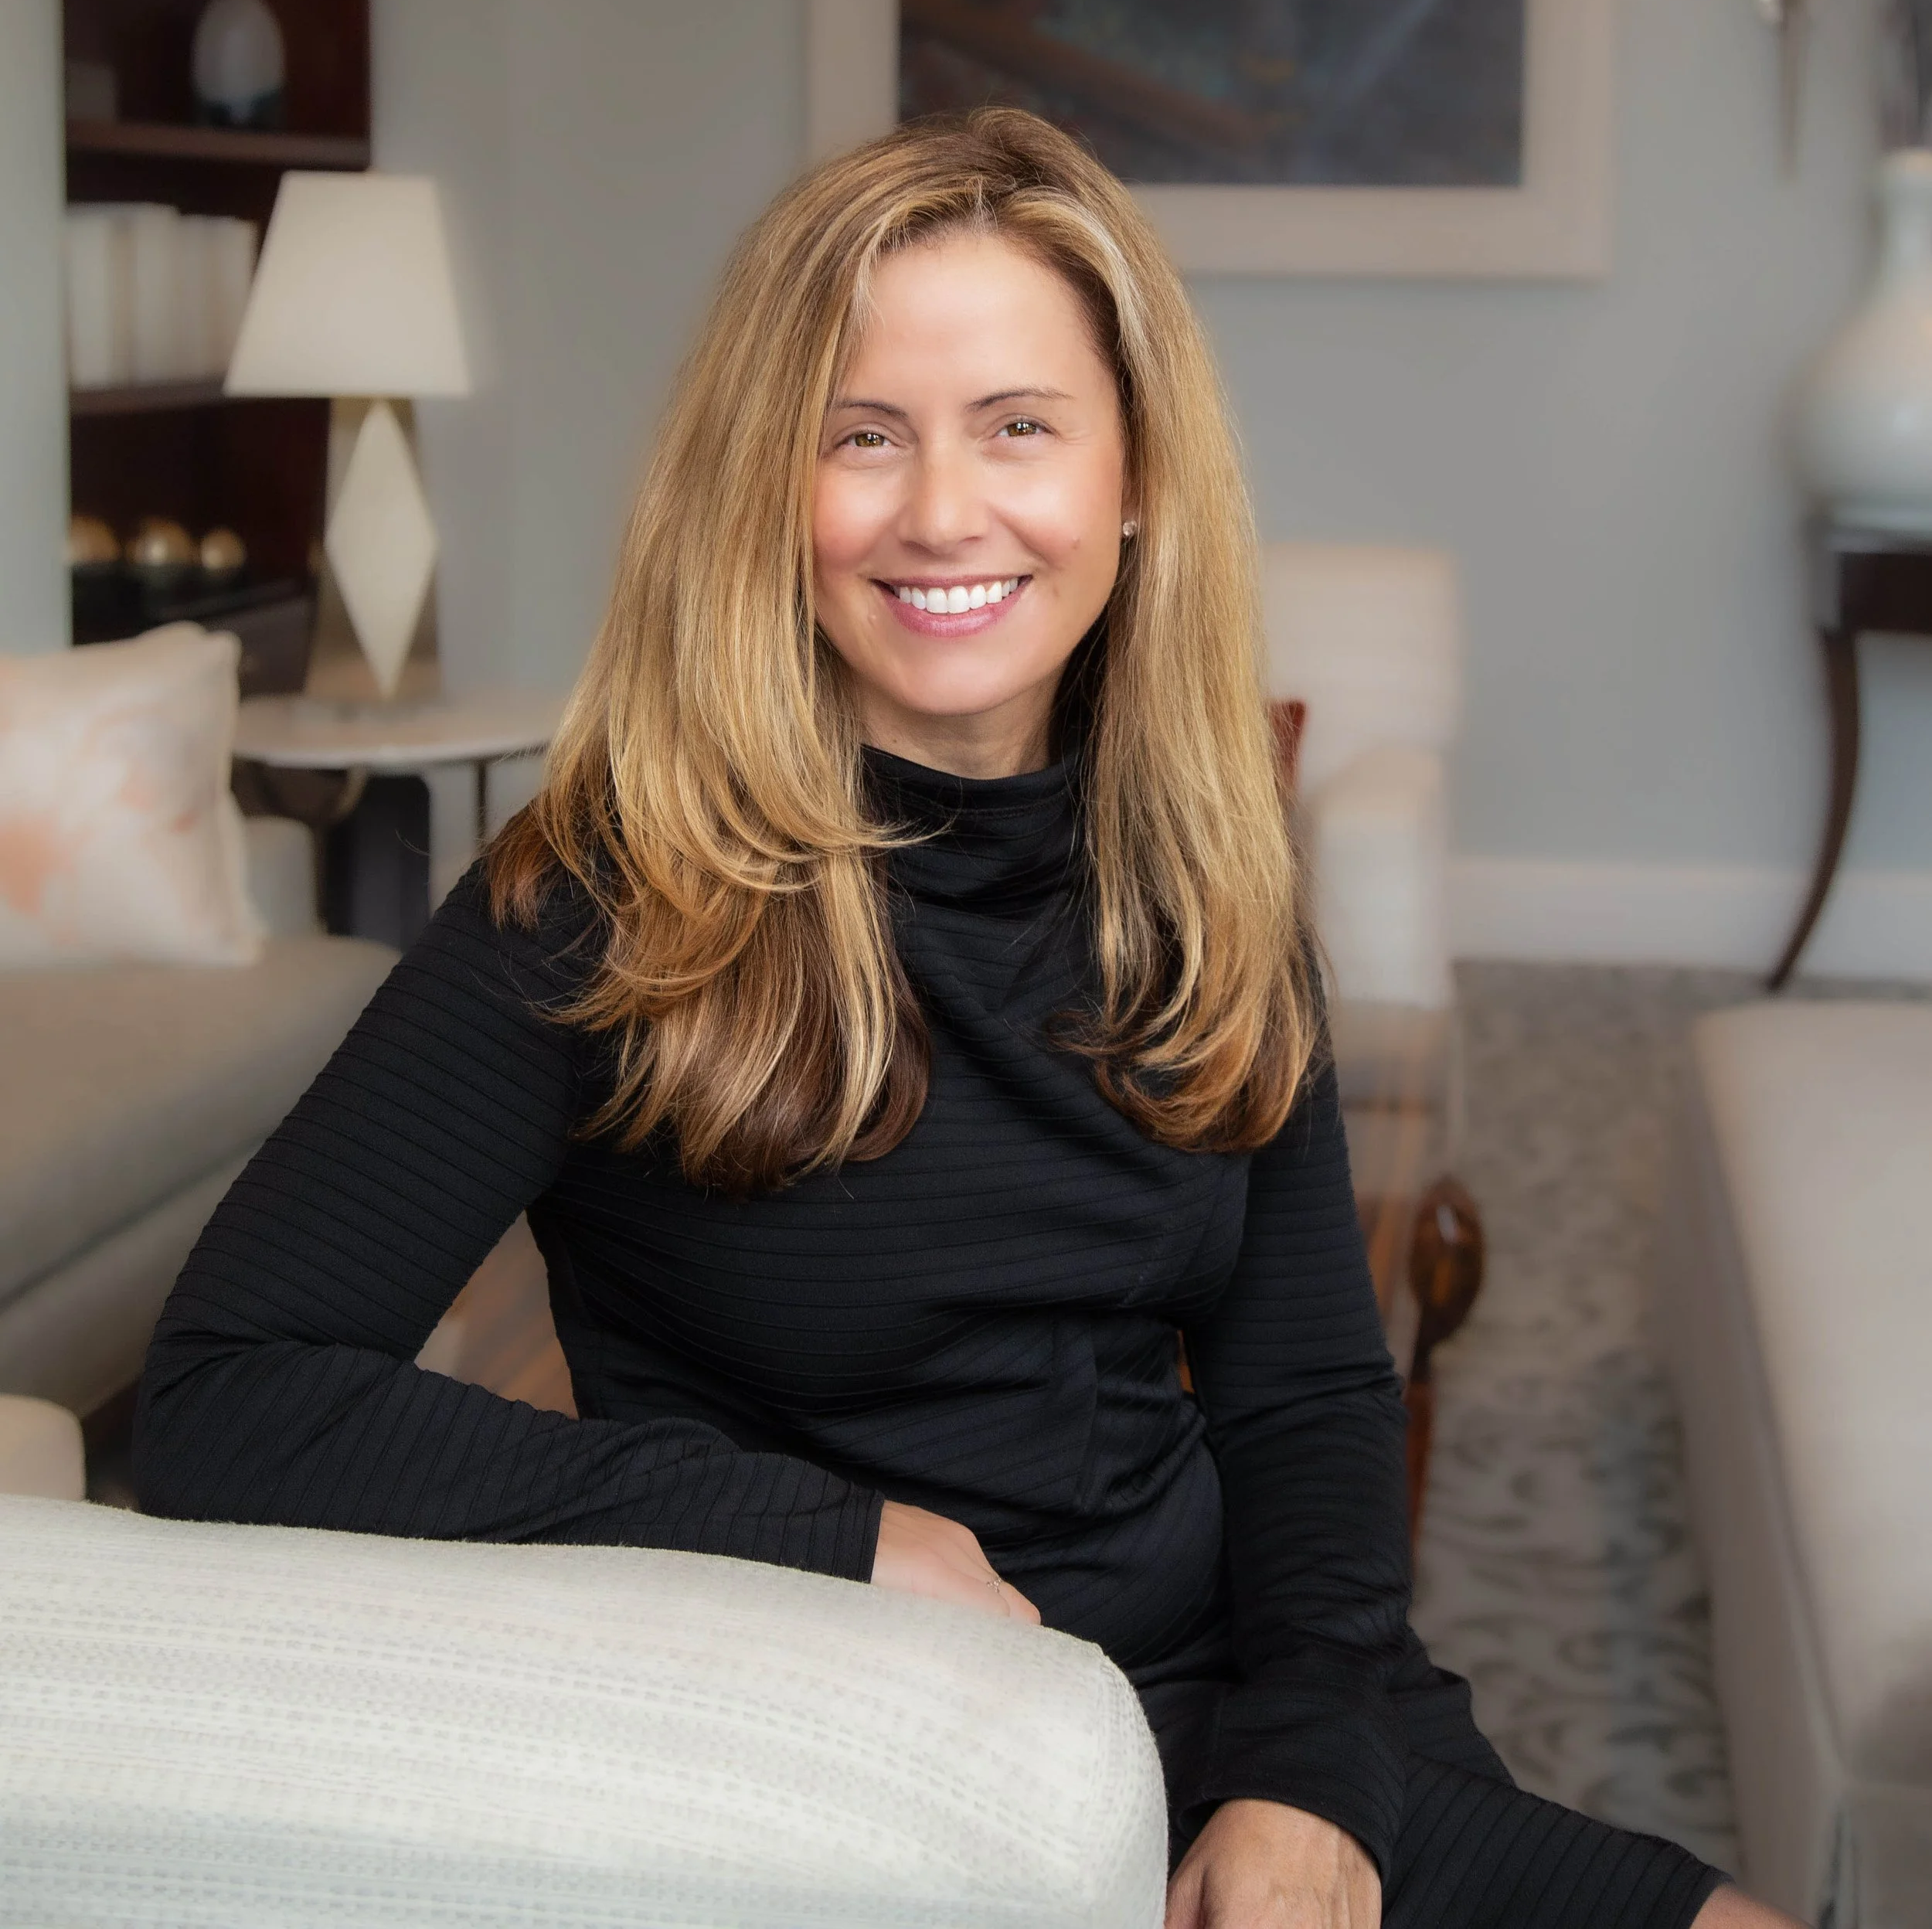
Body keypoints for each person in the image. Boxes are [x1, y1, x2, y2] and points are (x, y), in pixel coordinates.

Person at [138, 109, 1795, 1929]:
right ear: (771, 482)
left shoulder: (1204, 862)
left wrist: (1305, 1769)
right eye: (862, 435)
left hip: (1252, 1703)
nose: (942, 511)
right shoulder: (610, 894)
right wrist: (820, 1539)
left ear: (1134, 471)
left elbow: (1309, 1388)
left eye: (1018, 425)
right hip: (891, 1760)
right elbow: (232, 1397)